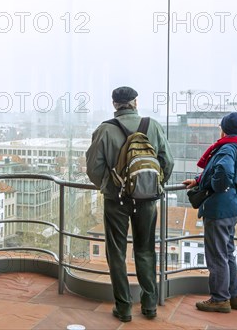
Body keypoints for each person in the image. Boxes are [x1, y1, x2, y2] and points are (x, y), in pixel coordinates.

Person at [86, 86, 174, 322]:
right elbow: (168, 161)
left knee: (116, 252)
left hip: (116, 200)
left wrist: (111, 186)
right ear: (135, 102)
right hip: (147, 201)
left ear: (114, 104)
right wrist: (152, 185)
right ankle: (149, 305)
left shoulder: (104, 130)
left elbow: (93, 169)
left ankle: (124, 307)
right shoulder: (152, 125)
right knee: (145, 250)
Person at [182, 112, 237, 313]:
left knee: (217, 255)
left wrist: (212, 187)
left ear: (223, 129)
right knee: (227, 252)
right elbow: (216, 170)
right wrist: (198, 180)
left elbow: (223, 174)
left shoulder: (226, 149)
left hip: (219, 209)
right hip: (231, 206)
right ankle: (234, 296)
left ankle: (219, 299)